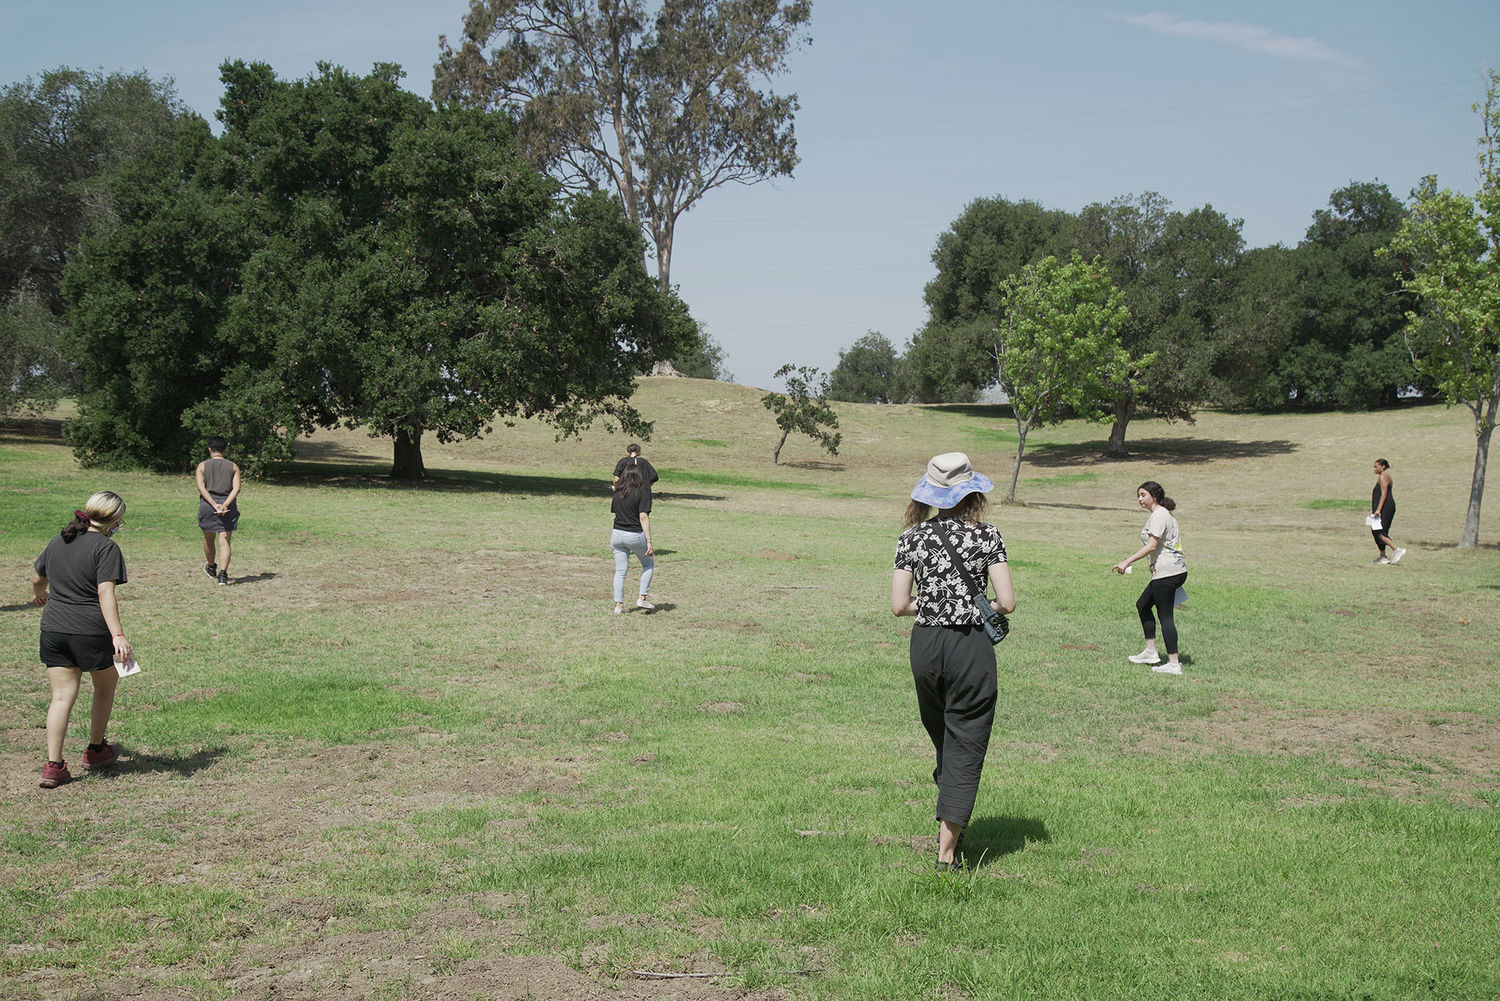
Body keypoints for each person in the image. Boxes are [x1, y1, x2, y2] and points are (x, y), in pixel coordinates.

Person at [891, 452, 1016, 872]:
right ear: (971, 491)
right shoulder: (987, 537)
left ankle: (951, 809)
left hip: (926, 644)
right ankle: (947, 851)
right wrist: (977, 604)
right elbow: (1007, 603)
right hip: (970, 646)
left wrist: (932, 605)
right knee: (966, 735)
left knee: (944, 734)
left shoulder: (911, 538)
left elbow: (897, 605)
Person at [30, 491, 131, 789]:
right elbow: (105, 592)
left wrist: (40, 596)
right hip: (88, 631)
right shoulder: (106, 548)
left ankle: (54, 766)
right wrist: (118, 635)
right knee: (105, 684)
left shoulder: (60, 539)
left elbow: (38, 578)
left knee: (61, 697)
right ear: (112, 520)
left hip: (54, 629)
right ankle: (96, 750)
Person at [1114, 481, 1188, 675]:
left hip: (1167, 571)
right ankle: (1150, 651)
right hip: (1171, 571)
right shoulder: (1163, 514)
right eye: (1138, 495)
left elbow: (1152, 545)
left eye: (1143, 495)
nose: (1140, 499)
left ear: (1154, 496)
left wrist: (1126, 561)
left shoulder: (1159, 515)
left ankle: (1173, 664)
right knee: (1143, 605)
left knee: (1165, 616)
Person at [195, 436, 242, 585]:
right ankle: (223, 574)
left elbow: (201, 488)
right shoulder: (233, 466)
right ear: (225, 449)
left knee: (209, 539)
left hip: (208, 506)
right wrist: (226, 504)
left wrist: (214, 504)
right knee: (225, 541)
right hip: (228, 505)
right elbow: (236, 488)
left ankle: (211, 566)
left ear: (210, 449)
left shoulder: (202, 466)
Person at [610, 462, 656, 613]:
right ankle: (642, 598)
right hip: (634, 534)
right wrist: (649, 541)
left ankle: (619, 605)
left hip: (616, 534)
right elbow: (643, 517)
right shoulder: (642, 493)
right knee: (648, 564)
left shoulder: (617, 493)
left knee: (620, 571)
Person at [1370, 458, 1405, 565]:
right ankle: (1382, 556)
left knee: (1380, 532)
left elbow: (1384, 494)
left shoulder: (1384, 476)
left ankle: (1397, 550)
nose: (1374, 469)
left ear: (1383, 466)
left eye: (1376, 467)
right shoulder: (1382, 476)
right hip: (1381, 507)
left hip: (1386, 507)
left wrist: (1379, 509)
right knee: (1376, 530)